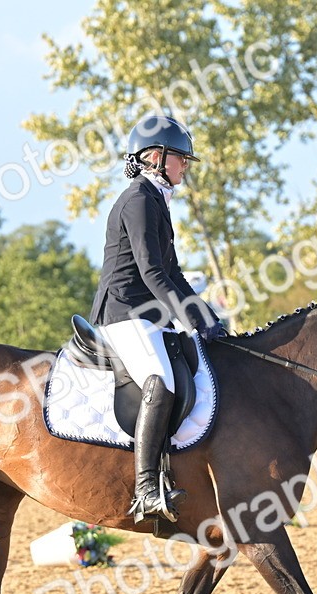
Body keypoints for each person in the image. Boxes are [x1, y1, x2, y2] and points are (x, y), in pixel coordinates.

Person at [89, 115, 225, 523]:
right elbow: (151, 274)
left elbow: (175, 274)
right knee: (161, 380)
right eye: (181, 158)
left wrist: (206, 316)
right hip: (124, 312)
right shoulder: (137, 200)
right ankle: (147, 488)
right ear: (156, 157)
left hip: (147, 314)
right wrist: (187, 316)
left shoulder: (156, 201)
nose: (186, 166)